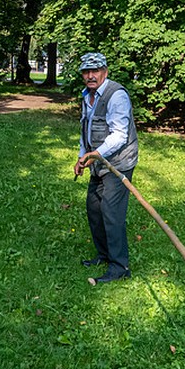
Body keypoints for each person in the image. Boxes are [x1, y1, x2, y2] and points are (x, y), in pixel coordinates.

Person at [73, 51, 138, 284]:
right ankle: (103, 255)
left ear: (105, 72)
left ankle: (120, 266)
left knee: (112, 212)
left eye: (95, 71)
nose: (90, 76)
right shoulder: (87, 95)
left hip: (118, 162)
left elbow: (120, 135)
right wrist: (82, 157)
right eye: (86, 71)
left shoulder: (116, 95)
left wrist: (96, 154)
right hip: (98, 160)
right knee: (94, 208)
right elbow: (86, 130)